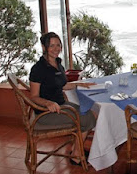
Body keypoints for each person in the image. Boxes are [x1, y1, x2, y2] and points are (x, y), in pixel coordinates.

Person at [29, 32, 97, 166]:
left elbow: (63, 85)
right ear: (44, 47)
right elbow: (34, 96)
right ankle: (76, 155)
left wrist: (79, 84)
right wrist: (48, 103)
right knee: (88, 118)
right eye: (52, 46)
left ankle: (76, 149)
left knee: (92, 114)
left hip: (62, 105)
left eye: (58, 45)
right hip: (46, 112)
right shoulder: (38, 69)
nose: (56, 49)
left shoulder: (58, 63)